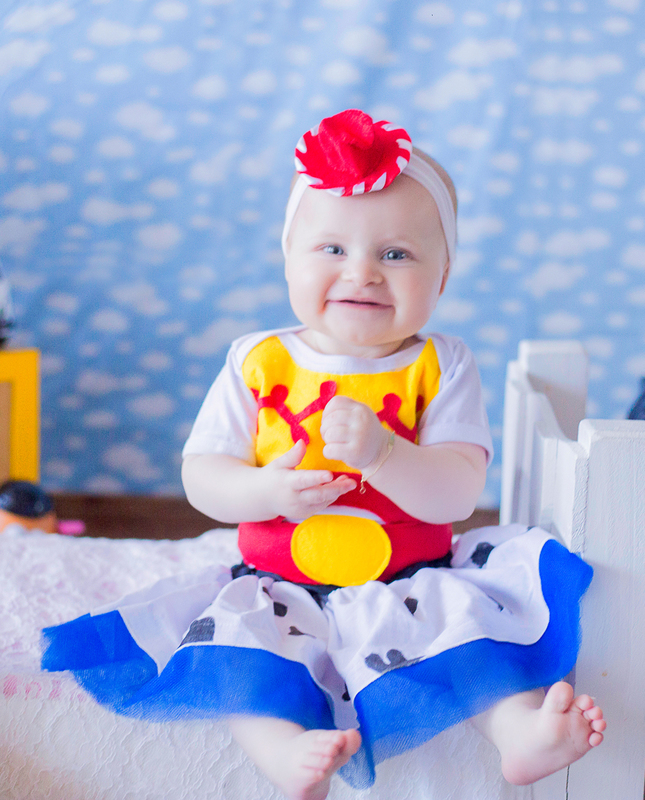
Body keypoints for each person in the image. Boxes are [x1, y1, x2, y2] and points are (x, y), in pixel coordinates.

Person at [43, 109, 603, 800]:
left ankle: (518, 733)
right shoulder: (259, 361)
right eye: (332, 249)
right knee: (240, 657)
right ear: (288, 258)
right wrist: (265, 494)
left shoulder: (441, 365)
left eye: (395, 254)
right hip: (278, 583)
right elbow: (203, 476)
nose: (361, 272)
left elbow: (457, 492)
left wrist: (386, 453)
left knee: (465, 642)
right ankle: (287, 751)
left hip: (410, 580)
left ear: (444, 274)